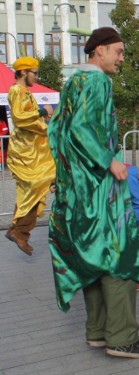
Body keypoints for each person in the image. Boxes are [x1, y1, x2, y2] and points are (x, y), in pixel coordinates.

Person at [47, 27, 139, 358]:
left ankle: (97, 331)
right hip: (99, 189)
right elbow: (80, 128)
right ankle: (122, 337)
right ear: (100, 51)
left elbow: (57, 130)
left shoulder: (72, 82)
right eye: (118, 51)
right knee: (117, 256)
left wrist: (65, 176)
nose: (121, 58)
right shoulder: (96, 81)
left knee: (91, 256)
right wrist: (110, 161)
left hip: (78, 192)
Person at [5, 56, 55, 255]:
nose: (36, 76)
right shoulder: (16, 90)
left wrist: (43, 116)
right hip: (25, 151)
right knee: (37, 185)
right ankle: (19, 231)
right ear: (24, 72)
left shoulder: (26, 92)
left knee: (38, 187)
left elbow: (31, 116)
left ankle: (19, 232)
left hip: (35, 149)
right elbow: (19, 118)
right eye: (34, 72)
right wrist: (43, 111)